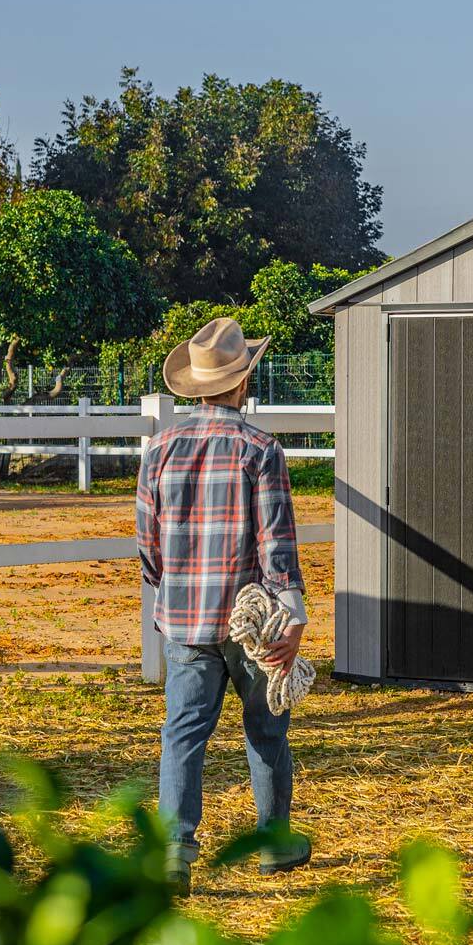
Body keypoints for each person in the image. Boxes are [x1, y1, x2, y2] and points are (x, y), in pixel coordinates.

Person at [136, 317, 312, 895]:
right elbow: (275, 540)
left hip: (184, 618)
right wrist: (294, 615)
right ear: (241, 385)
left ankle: (175, 852)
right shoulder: (260, 449)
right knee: (265, 728)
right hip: (252, 623)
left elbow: (148, 540)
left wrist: (172, 590)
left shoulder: (159, 447)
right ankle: (272, 844)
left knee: (182, 733)